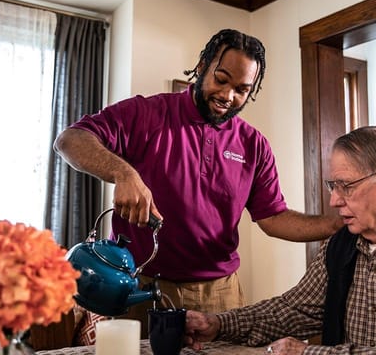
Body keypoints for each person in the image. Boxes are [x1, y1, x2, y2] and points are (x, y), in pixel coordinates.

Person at [53, 28, 342, 335]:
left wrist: (335, 225)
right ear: (202, 67)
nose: (228, 96)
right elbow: (70, 140)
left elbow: (273, 218)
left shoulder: (254, 144)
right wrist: (124, 173)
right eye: (221, 79)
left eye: (242, 89)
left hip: (219, 295)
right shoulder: (147, 114)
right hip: (140, 287)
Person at [185, 126, 376, 354]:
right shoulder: (342, 243)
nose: (334, 200)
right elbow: (294, 309)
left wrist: (311, 353)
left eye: (345, 186)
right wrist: (219, 324)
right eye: (333, 185)